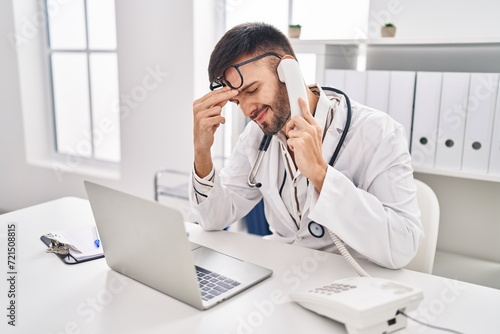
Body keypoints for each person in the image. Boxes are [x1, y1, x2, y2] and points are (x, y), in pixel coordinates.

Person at [188, 22, 423, 270]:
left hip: (351, 281)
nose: (247, 109)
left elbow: (403, 246)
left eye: (253, 90)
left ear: (287, 70)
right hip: (281, 276)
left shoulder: (377, 132)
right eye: (237, 102)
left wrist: (321, 174)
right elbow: (213, 219)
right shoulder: (256, 138)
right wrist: (202, 151)